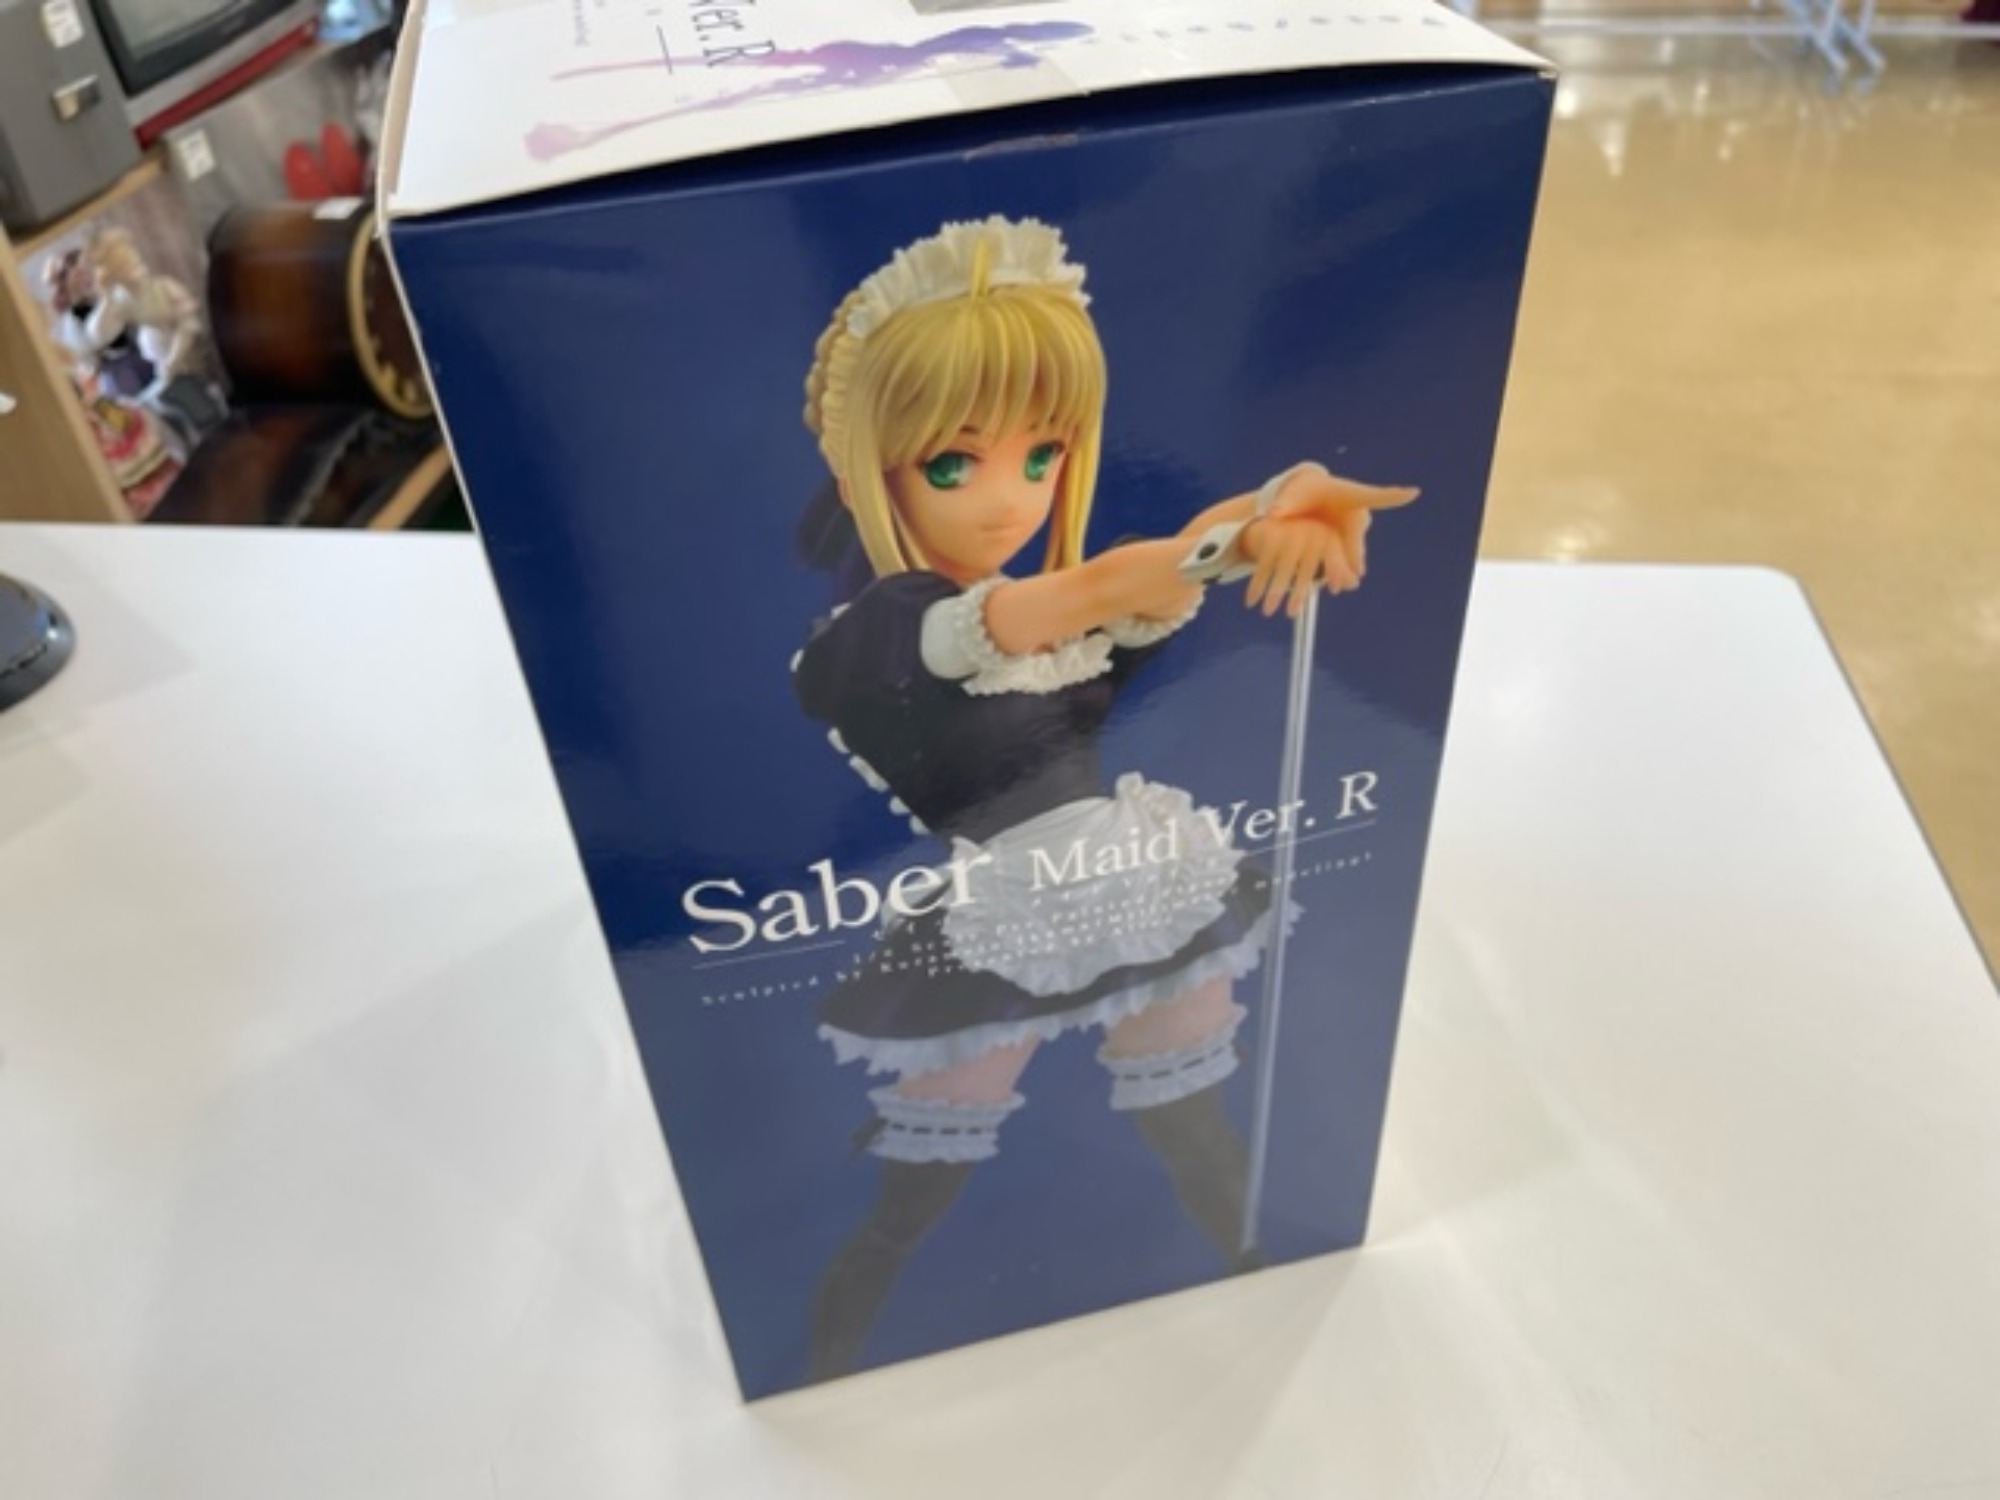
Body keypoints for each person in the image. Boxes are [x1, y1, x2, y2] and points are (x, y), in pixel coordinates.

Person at [791, 215, 1415, 1379]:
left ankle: (1268, 1287)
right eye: (952, 464)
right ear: (869, 467)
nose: (1008, 501)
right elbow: (1103, 583)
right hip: (1004, 914)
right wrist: (1231, 541)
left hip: (1134, 882)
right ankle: (823, 1364)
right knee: (913, 1195)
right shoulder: (886, 632)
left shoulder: (1046, 617)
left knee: (1194, 1125)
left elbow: (1152, 566)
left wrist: (1277, 499)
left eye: (1040, 458)